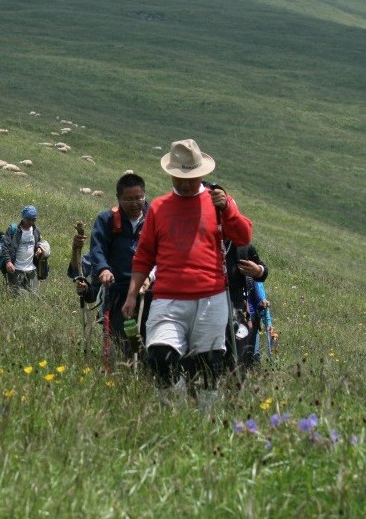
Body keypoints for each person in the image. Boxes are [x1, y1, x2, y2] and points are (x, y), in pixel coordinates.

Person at [122, 139, 252, 407]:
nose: (185, 183)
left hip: (212, 297)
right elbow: (144, 255)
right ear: (171, 173)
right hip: (168, 298)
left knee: (209, 365)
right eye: (180, 177)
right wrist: (132, 294)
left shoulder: (219, 202)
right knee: (159, 355)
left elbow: (243, 236)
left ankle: (205, 422)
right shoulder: (159, 207)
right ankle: (176, 411)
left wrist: (228, 208)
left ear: (202, 173)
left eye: (191, 177)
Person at [88, 173, 151, 364]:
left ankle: (148, 369)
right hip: (117, 289)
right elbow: (97, 250)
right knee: (121, 335)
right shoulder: (106, 219)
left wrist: (151, 276)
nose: (135, 204)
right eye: (128, 199)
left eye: (139, 198)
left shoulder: (154, 218)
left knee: (149, 334)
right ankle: (126, 369)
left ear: (145, 195)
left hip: (148, 290)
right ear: (118, 198)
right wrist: (103, 270)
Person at [225, 241, 268, 367]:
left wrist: (258, 271)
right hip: (205, 310)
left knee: (237, 362)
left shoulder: (242, 248)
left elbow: (262, 272)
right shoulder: (202, 240)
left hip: (235, 314)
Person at [1, 205, 50, 296]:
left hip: (31, 269)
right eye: (29, 220)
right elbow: (5, 247)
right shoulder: (14, 230)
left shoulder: (36, 231)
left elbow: (38, 244)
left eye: (33, 220)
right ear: (23, 218)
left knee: (33, 296)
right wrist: (8, 262)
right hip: (16, 269)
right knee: (15, 296)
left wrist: (39, 249)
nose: (31, 222)